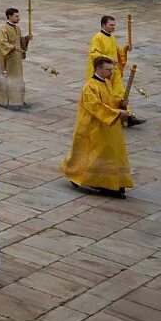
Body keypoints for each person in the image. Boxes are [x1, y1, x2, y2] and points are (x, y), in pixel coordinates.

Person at [61, 55, 133, 197]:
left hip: (109, 127)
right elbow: (96, 106)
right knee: (99, 155)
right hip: (94, 128)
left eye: (111, 70)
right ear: (98, 68)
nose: (111, 73)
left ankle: (114, 182)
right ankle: (103, 183)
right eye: (108, 70)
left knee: (113, 153)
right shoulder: (89, 87)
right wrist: (118, 113)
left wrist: (120, 103)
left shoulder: (106, 82)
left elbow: (110, 100)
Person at [88, 15, 144, 126]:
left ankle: (128, 116)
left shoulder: (112, 37)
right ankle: (116, 115)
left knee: (120, 94)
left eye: (114, 25)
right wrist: (108, 59)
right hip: (104, 72)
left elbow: (117, 52)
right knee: (108, 95)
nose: (113, 27)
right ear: (104, 25)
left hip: (114, 72)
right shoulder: (97, 38)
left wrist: (125, 49)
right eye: (111, 25)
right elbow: (94, 54)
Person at [0, 8, 29, 110]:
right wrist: (13, 47)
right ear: (9, 16)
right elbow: (3, 43)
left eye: (18, 16)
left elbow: (19, 41)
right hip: (7, 58)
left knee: (17, 77)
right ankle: (6, 100)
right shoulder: (3, 29)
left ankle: (17, 99)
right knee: (8, 78)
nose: (18, 18)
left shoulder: (17, 28)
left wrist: (26, 39)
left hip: (16, 59)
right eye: (16, 16)